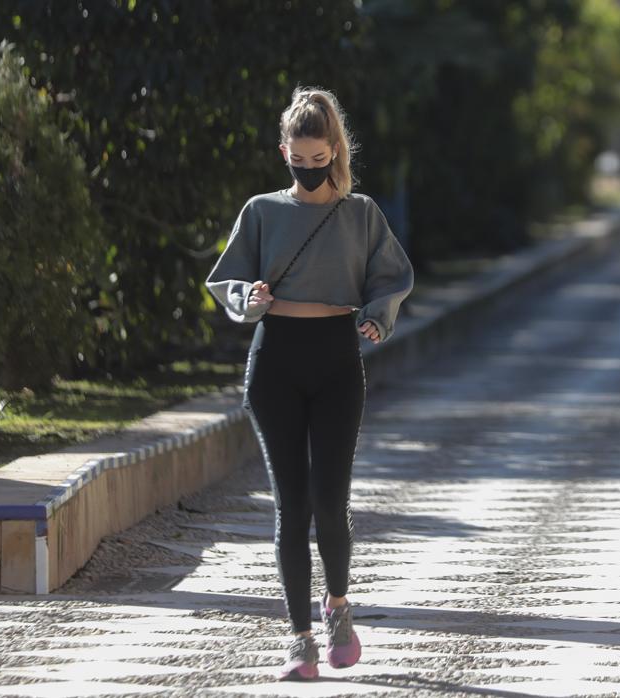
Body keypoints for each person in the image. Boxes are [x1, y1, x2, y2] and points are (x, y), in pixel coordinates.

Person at [205, 86, 415, 681]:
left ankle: (338, 608)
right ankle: (300, 640)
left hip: (336, 361)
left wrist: (377, 316)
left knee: (329, 502)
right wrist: (250, 298)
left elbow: (393, 275)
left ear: (335, 152)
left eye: (319, 159)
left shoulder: (361, 213)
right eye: (298, 159)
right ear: (284, 153)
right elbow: (227, 281)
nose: (308, 168)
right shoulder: (261, 212)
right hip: (274, 363)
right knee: (290, 508)